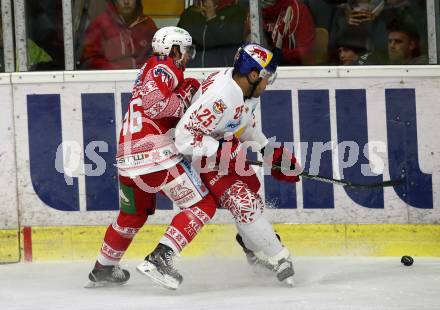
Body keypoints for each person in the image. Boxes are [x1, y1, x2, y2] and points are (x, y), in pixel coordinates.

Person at [84, 26, 217, 288]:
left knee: (132, 216)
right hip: (154, 154)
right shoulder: (163, 66)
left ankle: (104, 268)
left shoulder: (150, 69)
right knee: (202, 206)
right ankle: (160, 259)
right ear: (174, 49)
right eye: (186, 49)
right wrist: (187, 105)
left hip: (127, 156)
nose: (189, 55)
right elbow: (156, 106)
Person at [172, 43, 300, 287]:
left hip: (221, 150)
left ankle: (253, 248)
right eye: (266, 78)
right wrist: (219, 150)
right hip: (199, 156)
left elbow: (242, 124)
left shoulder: (244, 91)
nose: (267, 85)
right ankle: (280, 257)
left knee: (253, 201)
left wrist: (269, 151)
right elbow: (184, 137)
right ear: (253, 75)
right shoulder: (220, 98)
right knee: (245, 203)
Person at [80, 0, 157, 69]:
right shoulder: (100, 24)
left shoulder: (148, 24)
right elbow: (88, 59)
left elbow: (160, 55)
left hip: (143, 80)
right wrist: (113, 70)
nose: (126, 2)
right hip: (112, 81)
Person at [177, 0, 247, 67]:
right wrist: (182, 53)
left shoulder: (236, 12)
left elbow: (231, 38)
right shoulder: (189, 13)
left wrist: (211, 17)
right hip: (192, 68)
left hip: (220, 69)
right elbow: (178, 37)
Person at [261, 0, 316, 65]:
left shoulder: (298, 10)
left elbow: (307, 51)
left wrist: (282, 55)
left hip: (290, 70)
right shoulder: (254, 11)